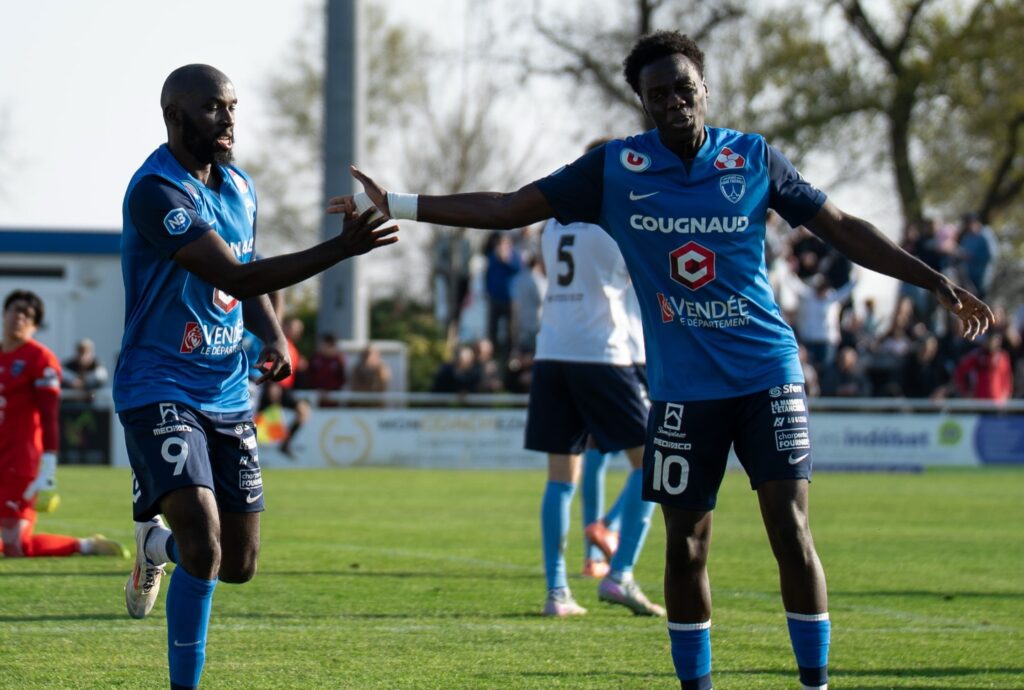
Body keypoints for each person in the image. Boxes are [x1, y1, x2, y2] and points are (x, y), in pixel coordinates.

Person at [334, 29, 993, 690]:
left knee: (790, 531)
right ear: (644, 105)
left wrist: (934, 281)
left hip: (768, 374)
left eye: (683, 87)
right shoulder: (615, 169)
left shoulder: (754, 157)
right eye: (658, 95)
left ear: (703, 85)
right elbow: (510, 208)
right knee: (685, 545)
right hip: (682, 392)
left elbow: (843, 227)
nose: (674, 102)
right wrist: (403, 205)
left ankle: (815, 684)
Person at [114, 64, 396, 690]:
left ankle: (152, 548)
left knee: (236, 565)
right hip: (158, 383)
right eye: (213, 107)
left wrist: (271, 334)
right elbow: (235, 279)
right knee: (205, 543)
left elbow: (250, 266)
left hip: (226, 388)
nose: (229, 118)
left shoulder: (239, 186)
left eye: (233, 106)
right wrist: (339, 249)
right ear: (175, 117)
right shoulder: (156, 192)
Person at [1, 291, 127, 559]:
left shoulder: (41, 359)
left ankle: (87, 545)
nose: (20, 317)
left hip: (18, 463)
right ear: (5, 313)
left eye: (28, 315)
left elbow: (49, 415)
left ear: (35, 326)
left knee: (16, 547)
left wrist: (47, 466)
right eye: (15, 309)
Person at [308, 332, 347, 407]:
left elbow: (342, 379)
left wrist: (329, 391)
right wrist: (317, 389)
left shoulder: (339, 360)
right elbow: (310, 377)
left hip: (334, 401)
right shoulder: (315, 359)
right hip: (316, 400)